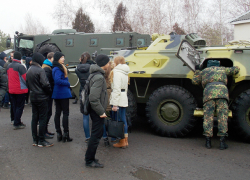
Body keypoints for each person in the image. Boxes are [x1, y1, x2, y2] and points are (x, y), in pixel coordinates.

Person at [192, 60, 240, 150]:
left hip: (209, 94)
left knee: (208, 117)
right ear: (218, 65)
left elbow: (194, 81)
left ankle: (208, 142)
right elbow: (236, 70)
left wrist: (198, 70)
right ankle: (222, 142)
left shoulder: (204, 71)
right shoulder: (222, 69)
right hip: (222, 93)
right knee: (222, 117)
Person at [85, 54, 110, 168]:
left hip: (94, 109)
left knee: (96, 135)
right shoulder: (99, 77)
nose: (109, 65)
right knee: (95, 136)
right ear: (104, 64)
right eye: (108, 63)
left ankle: (90, 158)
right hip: (96, 111)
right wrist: (101, 112)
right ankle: (90, 160)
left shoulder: (94, 74)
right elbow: (93, 98)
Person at [26, 52, 53, 147]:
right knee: (42, 118)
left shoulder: (29, 70)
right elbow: (45, 84)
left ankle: (35, 139)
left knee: (34, 118)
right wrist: (49, 92)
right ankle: (41, 140)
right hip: (42, 97)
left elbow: (27, 84)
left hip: (33, 97)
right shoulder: (40, 70)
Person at [109, 56, 130, 148]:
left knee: (120, 120)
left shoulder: (116, 72)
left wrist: (115, 104)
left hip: (118, 97)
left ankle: (122, 142)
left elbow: (116, 88)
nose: (113, 63)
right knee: (123, 119)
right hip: (123, 96)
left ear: (117, 62)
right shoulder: (125, 72)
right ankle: (125, 140)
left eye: (114, 62)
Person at [52, 52, 73, 142]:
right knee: (65, 113)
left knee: (58, 113)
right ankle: (65, 134)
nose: (63, 59)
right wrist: (67, 83)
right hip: (63, 93)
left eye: (63, 57)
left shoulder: (56, 67)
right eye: (61, 57)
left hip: (58, 93)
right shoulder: (58, 68)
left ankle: (59, 133)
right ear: (57, 58)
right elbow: (57, 80)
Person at [6, 51, 28, 130]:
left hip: (11, 89)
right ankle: (17, 123)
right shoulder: (21, 67)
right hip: (20, 89)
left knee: (14, 106)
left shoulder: (8, 66)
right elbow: (25, 78)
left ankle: (16, 120)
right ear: (20, 58)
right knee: (20, 107)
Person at [42, 52, 55, 139]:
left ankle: (45, 131)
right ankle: (44, 132)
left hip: (46, 95)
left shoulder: (47, 66)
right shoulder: (47, 68)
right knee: (47, 113)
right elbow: (46, 83)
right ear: (51, 58)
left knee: (47, 113)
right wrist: (50, 91)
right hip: (47, 95)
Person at [4, 51, 14, 123]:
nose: (12, 57)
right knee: (13, 104)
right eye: (11, 56)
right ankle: (13, 119)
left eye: (13, 56)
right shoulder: (7, 64)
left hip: (14, 85)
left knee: (14, 104)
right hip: (9, 84)